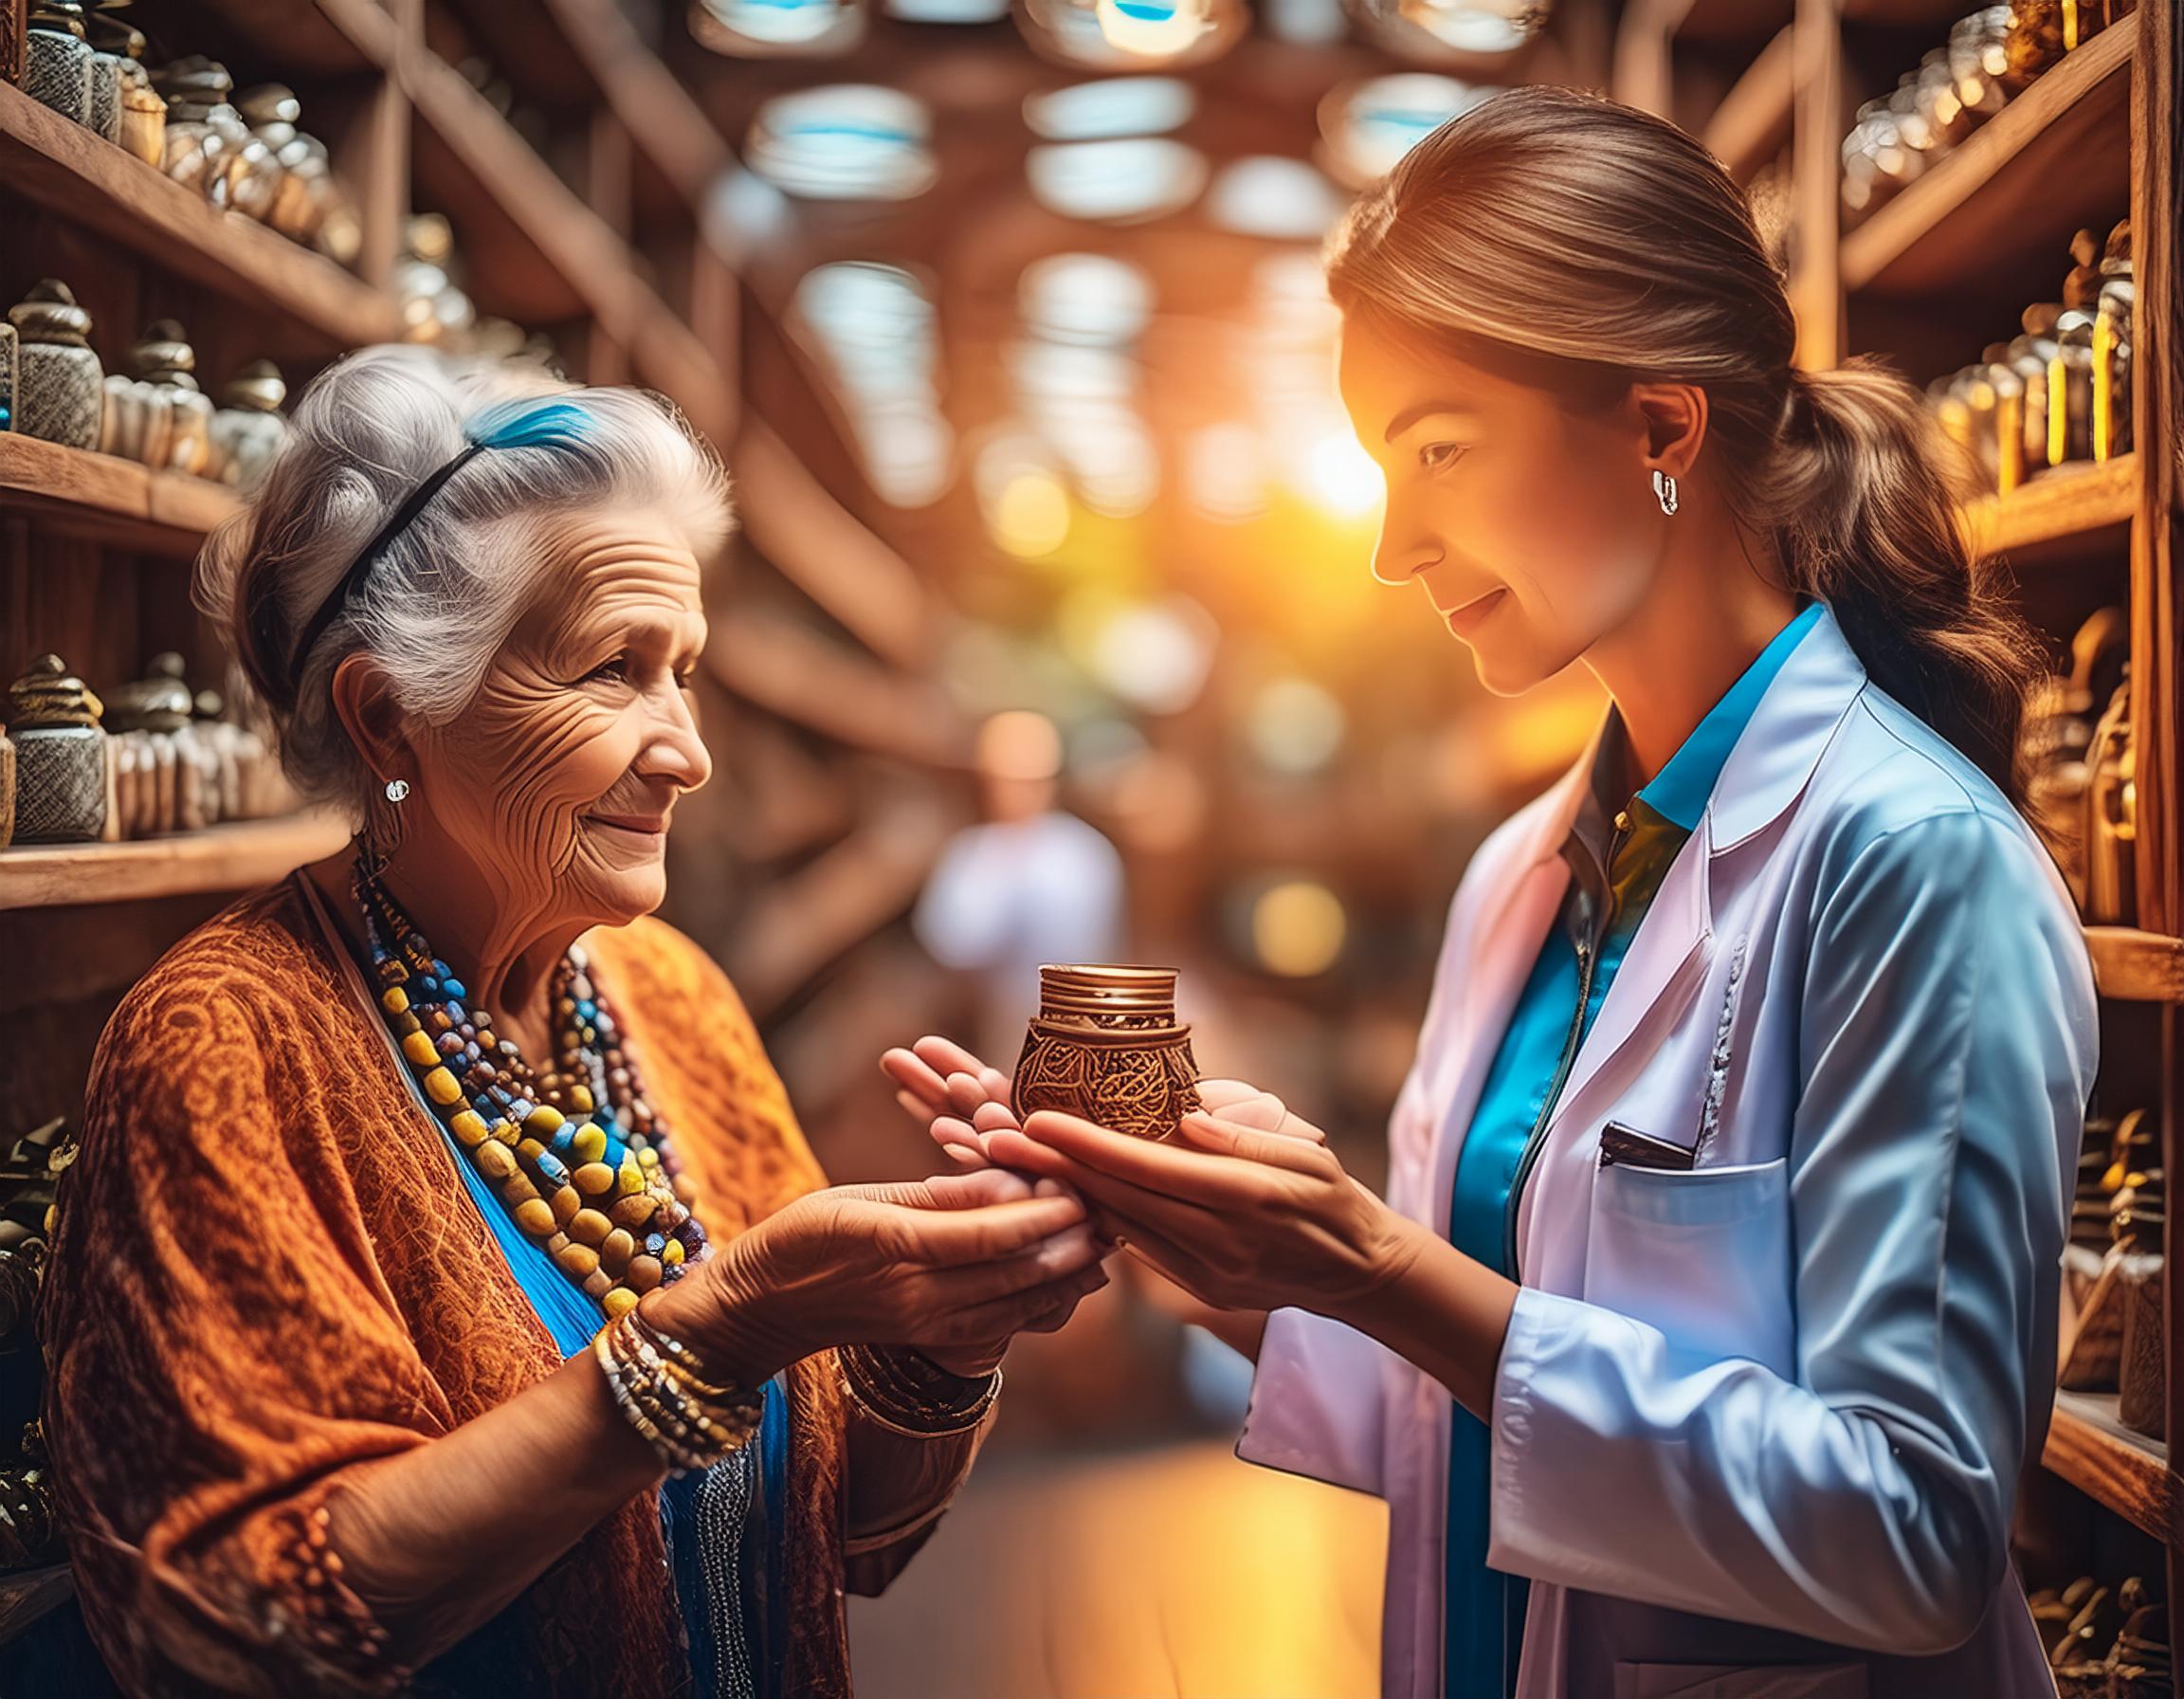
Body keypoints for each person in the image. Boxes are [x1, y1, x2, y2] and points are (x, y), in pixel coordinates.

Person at [885, 84, 2097, 1699]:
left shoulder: (1908, 861)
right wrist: (1236, 1254)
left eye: (1436, 449)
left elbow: (1912, 1527)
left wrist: (1377, 1264)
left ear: (1660, 426)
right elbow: (1481, 1417)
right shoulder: (1520, 874)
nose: (1394, 543)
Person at [38, 347, 1108, 1699]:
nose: (689, 749)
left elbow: (847, 1542)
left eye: (688, 671)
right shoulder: (229, 1045)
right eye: (615, 670)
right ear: (388, 718)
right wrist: (705, 1336)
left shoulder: (668, 998)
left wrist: (952, 1333)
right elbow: (238, 1629)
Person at [912, 709, 1125, 1065]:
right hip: (997, 1025)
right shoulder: (972, 855)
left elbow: (1099, 948)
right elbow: (951, 945)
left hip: (1079, 1024)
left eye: (1027, 781)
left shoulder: (1085, 855)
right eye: (1005, 780)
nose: (1015, 792)